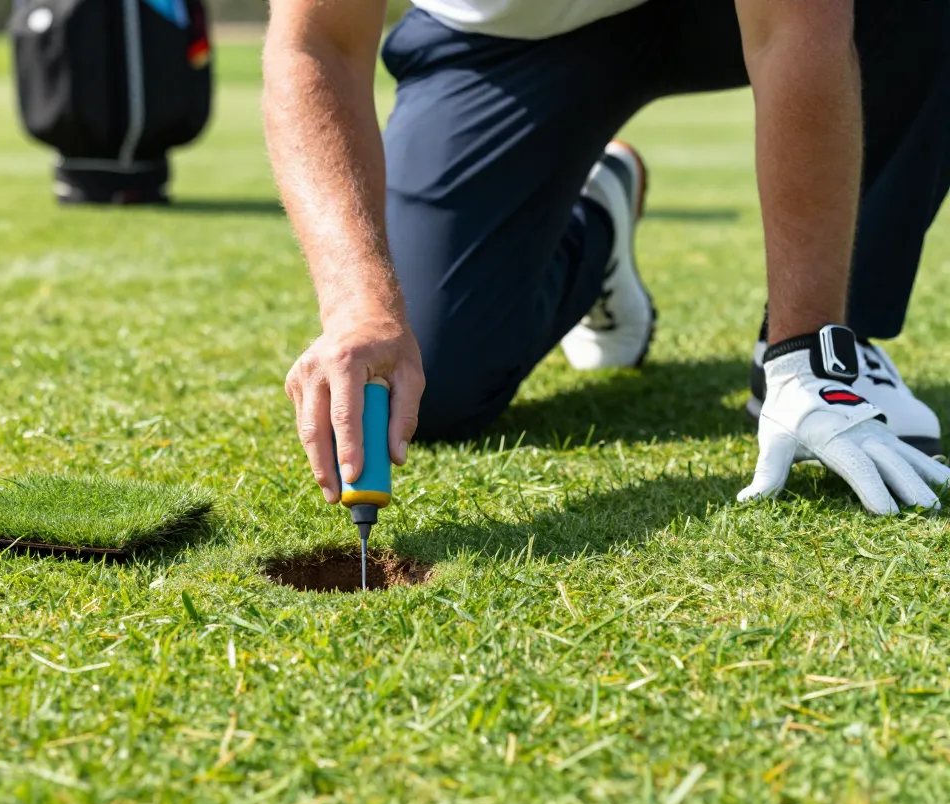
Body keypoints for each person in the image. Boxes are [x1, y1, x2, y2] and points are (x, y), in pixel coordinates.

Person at [263, 0, 950, 516]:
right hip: (503, 42)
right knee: (431, 382)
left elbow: (796, 24)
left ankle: (833, 352)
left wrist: (806, 351)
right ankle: (597, 222)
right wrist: (361, 308)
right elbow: (315, 43)